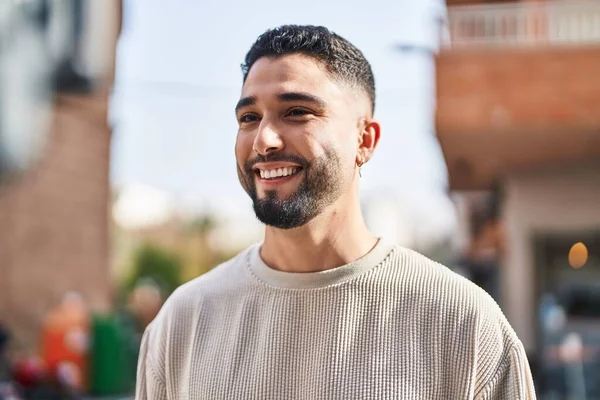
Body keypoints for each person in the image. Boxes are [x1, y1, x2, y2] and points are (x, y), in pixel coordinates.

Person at [135, 25, 536, 399]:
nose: (264, 140)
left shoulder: (463, 323)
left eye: (296, 112)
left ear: (364, 139)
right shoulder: (182, 324)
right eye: (249, 118)